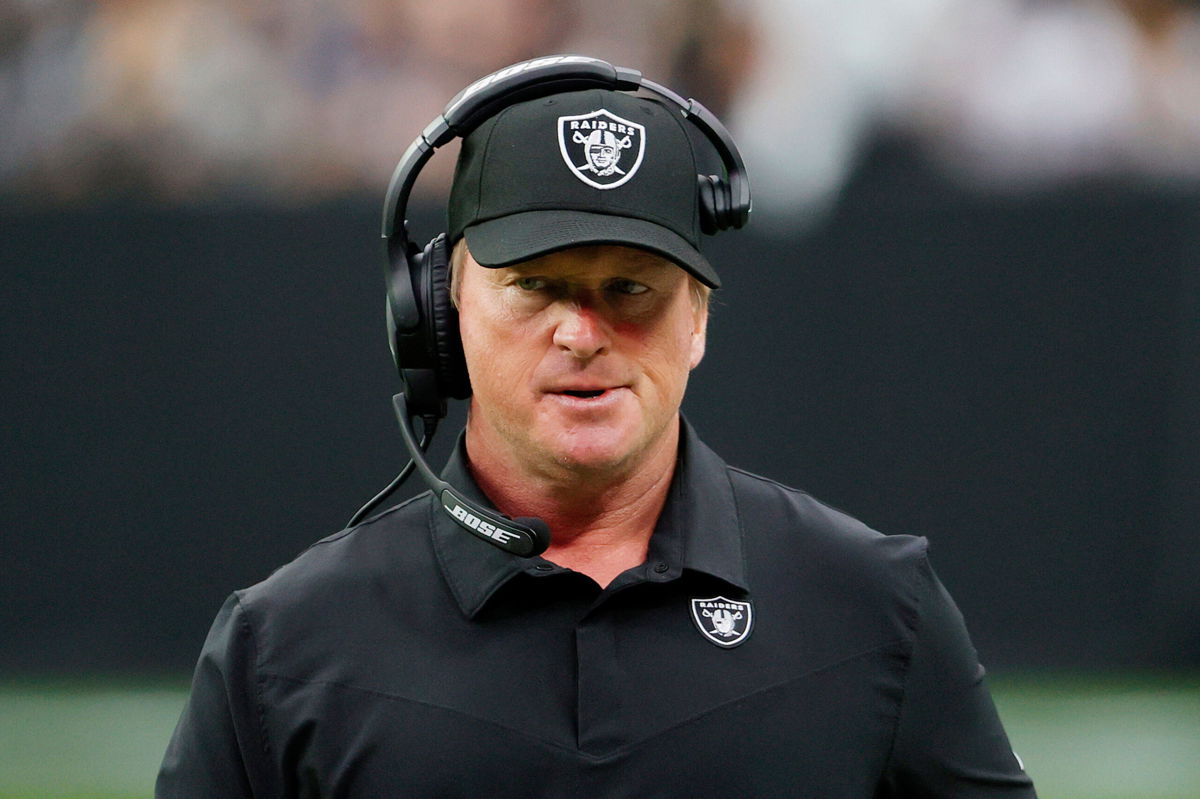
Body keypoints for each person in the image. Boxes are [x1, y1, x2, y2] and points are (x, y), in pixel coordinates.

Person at [157, 57, 1037, 798]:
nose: (582, 332)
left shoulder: (875, 610)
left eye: (631, 289)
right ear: (440, 307)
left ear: (698, 319)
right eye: (535, 285)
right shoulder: (285, 649)